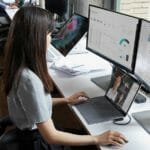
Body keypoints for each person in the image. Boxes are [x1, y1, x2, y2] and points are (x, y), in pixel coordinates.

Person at [3, 6, 127, 149]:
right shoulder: (29, 79)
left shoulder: (18, 64)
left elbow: (34, 102)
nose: (51, 38)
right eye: (49, 34)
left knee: (83, 134)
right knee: (95, 145)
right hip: (36, 141)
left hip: (30, 132)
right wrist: (97, 139)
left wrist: (66, 100)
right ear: (36, 39)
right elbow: (51, 136)